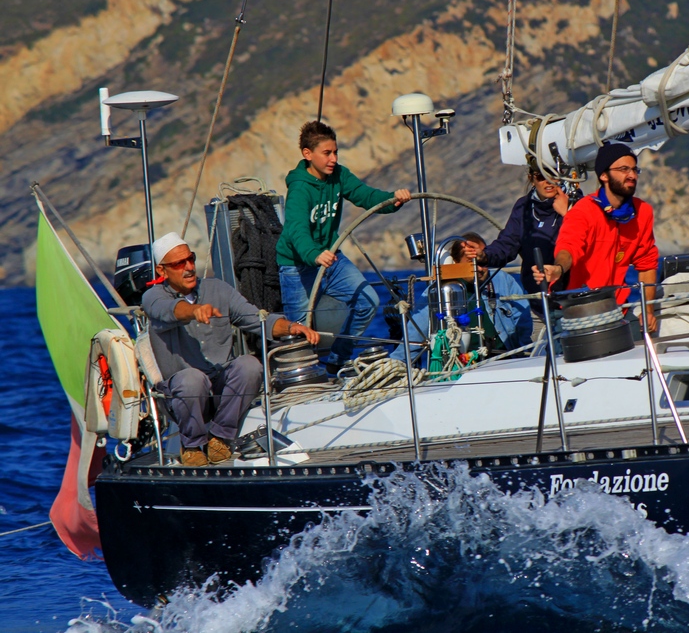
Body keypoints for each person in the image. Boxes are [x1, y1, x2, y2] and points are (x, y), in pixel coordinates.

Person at [142, 233, 320, 467]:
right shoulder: (152, 297)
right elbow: (170, 310)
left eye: (191, 259)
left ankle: (219, 438)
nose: (189, 267)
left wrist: (291, 327)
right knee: (192, 379)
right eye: (179, 264)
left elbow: (255, 319)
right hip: (181, 394)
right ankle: (193, 445)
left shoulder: (218, 289)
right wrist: (194, 311)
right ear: (162, 271)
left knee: (250, 365)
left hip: (219, 385)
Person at [276, 120, 412, 367]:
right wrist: (315, 255)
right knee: (299, 334)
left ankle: (337, 360)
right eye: (326, 153)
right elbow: (297, 232)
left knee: (368, 301)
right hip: (298, 265)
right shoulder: (299, 189)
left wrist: (393, 200)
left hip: (331, 260)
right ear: (308, 154)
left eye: (335, 152)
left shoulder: (339, 175)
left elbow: (367, 196)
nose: (333, 159)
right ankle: (306, 381)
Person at [533, 142, 659, 332]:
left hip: (615, 308)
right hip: (573, 310)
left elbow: (647, 264)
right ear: (604, 175)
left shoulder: (643, 212)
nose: (632, 175)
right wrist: (558, 269)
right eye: (624, 169)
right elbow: (569, 247)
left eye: (634, 169)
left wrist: (647, 310)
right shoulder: (584, 211)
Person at [461, 167, 570, 339]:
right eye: (541, 175)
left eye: (553, 175)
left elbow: (587, 243)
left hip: (574, 305)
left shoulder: (577, 205)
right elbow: (507, 245)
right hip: (538, 307)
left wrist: (568, 214)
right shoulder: (523, 208)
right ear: (531, 178)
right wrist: (483, 255)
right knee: (539, 360)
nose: (548, 181)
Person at [391, 232, 532, 364]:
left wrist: (525, 356)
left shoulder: (502, 280)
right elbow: (415, 333)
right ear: (456, 262)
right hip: (460, 365)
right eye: (472, 262)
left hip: (505, 359)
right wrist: (397, 364)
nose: (480, 268)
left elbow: (523, 321)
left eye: (482, 262)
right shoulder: (439, 291)